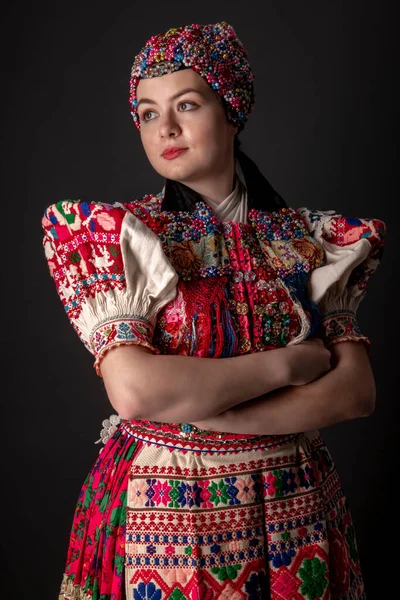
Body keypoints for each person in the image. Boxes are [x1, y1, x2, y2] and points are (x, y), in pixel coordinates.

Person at [42, 21, 386, 600]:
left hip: (294, 511)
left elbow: (355, 392)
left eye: (187, 104)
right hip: (163, 520)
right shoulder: (124, 236)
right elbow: (135, 392)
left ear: (231, 110)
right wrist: (289, 367)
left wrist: (213, 415)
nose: (165, 128)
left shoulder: (308, 240)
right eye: (148, 114)